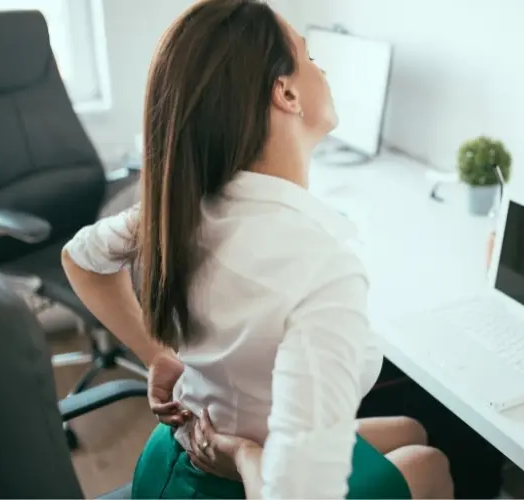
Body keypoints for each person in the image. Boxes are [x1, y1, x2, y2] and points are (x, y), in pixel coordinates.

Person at [60, 0, 454, 498]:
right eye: (310, 57)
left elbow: (81, 258)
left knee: (407, 429)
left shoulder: (182, 209)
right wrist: (246, 458)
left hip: (173, 455)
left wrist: (156, 355)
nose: (322, 68)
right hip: (235, 476)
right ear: (285, 93)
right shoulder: (321, 267)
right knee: (428, 462)